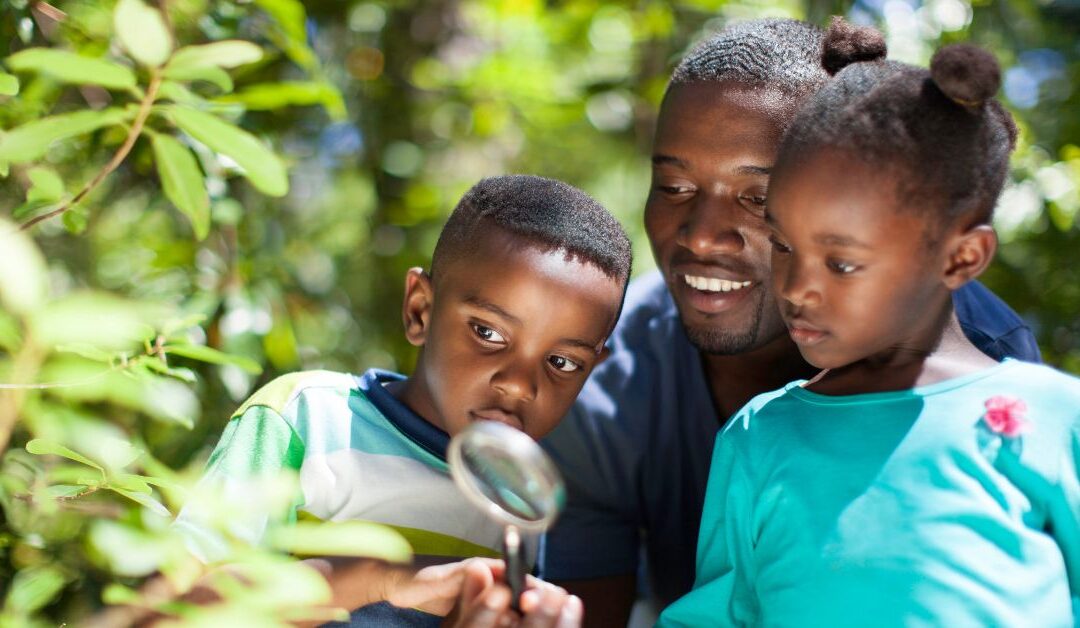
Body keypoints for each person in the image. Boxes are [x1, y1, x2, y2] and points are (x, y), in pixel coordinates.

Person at [538, 18, 1042, 624]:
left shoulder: (987, 368)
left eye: (757, 198)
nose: (700, 236)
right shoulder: (604, 381)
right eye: (673, 186)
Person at [175, 174, 632, 626]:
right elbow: (174, 609)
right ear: (420, 310)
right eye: (488, 333)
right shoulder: (311, 419)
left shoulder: (525, 497)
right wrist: (382, 579)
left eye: (563, 362)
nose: (519, 384)